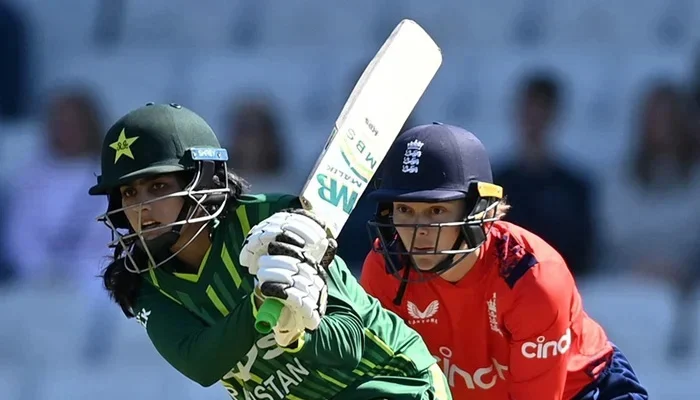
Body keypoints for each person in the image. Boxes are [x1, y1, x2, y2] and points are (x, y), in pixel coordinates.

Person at [88, 102, 451, 400]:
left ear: (204, 182)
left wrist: (299, 334)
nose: (141, 207)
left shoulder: (273, 220)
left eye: (158, 186)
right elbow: (200, 363)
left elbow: (346, 347)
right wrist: (260, 304)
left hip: (392, 384)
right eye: (129, 193)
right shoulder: (143, 282)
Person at [357, 122, 648, 400]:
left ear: (479, 212)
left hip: (583, 392)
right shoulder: (385, 268)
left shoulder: (532, 279)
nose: (417, 230)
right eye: (405, 209)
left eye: (436, 211)